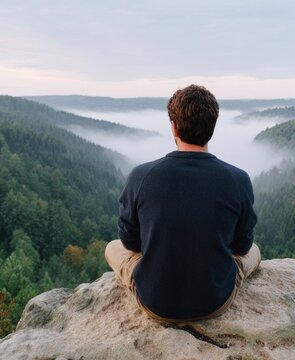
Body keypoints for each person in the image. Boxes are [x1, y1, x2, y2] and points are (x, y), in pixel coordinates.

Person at [105, 84, 260, 323]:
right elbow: (241, 247)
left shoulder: (141, 176)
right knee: (255, 251)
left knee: (112, 247)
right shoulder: (238, 179)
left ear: (173, 127)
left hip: (155, 303)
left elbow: (130, 242)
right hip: (215, 302)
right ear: (213, 127)